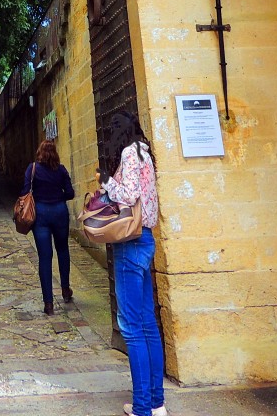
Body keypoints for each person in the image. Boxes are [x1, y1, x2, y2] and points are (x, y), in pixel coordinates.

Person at [100, 111, 166, 416]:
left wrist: (105, 184)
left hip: (129, 242)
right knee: (148, 324)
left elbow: (128, 194)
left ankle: (142, 408)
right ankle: (156, 402)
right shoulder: (145, 152)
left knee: (131, 327)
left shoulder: (128, 153)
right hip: (147, 238)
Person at [19, 140, 74, 315]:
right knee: (63, 250)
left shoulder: (32, 169)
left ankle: (48, 303)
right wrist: (58, 195)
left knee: (44, 257)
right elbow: (70, 193)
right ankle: (65, 290)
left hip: (40, 214)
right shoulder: (61, 170)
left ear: (39, 152)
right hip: (59, 211)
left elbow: (25, 191)